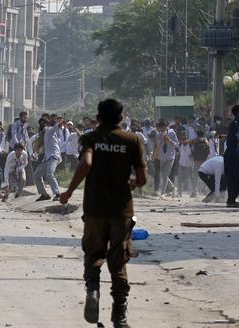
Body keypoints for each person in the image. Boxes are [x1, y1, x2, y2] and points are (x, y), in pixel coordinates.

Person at [59, 99, 147, 327]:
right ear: (121, 118)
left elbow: (86, 164)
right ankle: (119, 315)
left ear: (98, 118)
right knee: (118, 262)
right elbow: (142, 179)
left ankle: (93, 290)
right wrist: (133, 181)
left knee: (93, 253)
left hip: (95, 209)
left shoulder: (90, 138)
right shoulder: (133, 140)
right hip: (122, 211)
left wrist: (68, 191)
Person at [33, 115, 65, 201]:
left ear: (47, 124)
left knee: (49, 174)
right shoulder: (42, 135)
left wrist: (61, 122)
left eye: (44, 123)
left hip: (54, 156)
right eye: (41, 124)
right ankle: (44, 194)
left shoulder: (49, 130)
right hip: (47, 158)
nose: (42, 125)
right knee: (36, 175)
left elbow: (57, 126)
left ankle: (57, 194)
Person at [224, 105, 239, 207]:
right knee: (233, 179)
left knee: (238, 178)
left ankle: (232, 200)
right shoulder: (235, 124)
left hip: (235, 155)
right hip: (232, 156)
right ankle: (231, 201)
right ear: (238, 113)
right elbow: (236, 139)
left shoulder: (238, 124)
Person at [155, 119, 179, 197]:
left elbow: (177, 145)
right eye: (159, 128)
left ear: (165, 127)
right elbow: (158, 145)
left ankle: (163, 193)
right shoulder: (158, 134)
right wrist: (162, 140)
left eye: (161, 127)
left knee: (165, 174)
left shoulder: (172, 133)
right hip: (162, 156)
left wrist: (170, 140)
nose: (160, 129)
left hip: (170, 156)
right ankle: (172, 187)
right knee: (163, 175)